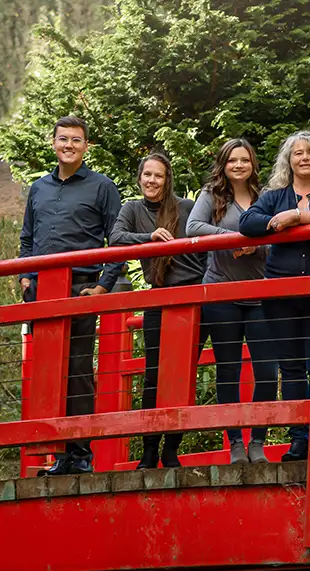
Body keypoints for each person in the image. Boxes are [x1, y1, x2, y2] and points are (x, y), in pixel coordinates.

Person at [19, 116, 125, 476]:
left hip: (80, 289)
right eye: (63, 139)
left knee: (77, 369)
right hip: (40, 291)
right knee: (48, 370)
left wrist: (103, 285)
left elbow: (119, 240)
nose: (69, 145)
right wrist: (23, 278)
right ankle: (57, 453)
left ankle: (80, 453)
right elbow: (26, 240)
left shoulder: (102, 187)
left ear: (85, 146)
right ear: (53, 143)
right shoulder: (38, 188)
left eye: (76, 140)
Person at [111, 153, 209, 469]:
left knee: (182, 376)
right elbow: (116, 238)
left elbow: (207, 248)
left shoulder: (185, 208)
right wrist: (149, 238)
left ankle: (172, 448)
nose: (152, 181)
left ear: (168, 180)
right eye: (147, 175)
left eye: (159, 176)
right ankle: (149, 449)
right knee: (154, 375)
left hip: (192, 297)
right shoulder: (133, 209)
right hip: (159, 296)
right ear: (140, 178)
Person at [239, 130, 310, 462]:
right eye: (298, 153)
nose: (305, 158)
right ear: (288, 161)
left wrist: (301, 216)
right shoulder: (275, 195)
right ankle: (299, 439)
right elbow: (248, 223)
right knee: (291, 368)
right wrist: (281, 220)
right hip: (282, 292)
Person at [186, 138, 277, 465]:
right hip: (221, 293)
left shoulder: (264, 198)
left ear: (253, 163)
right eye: (232, 160)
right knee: (229, 371)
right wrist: (234, 239)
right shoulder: (211, 197)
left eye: (244, 160)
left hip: (259, 295)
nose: (239, 165)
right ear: (223, 165)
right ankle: (235, 443)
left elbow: (279, 237)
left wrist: (256, 246)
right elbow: (192, 227)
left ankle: (258, 441)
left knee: (267, 371)